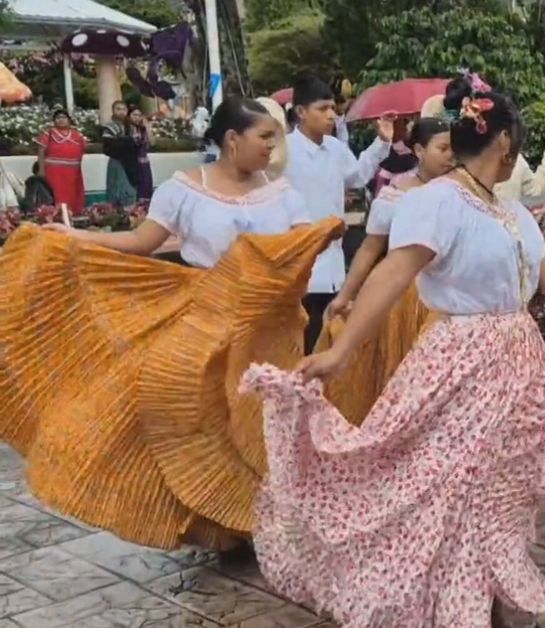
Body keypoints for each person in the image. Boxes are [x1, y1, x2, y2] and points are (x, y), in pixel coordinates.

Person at [244, 90, 545, 627]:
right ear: (504, 140)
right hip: (461, 362)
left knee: (495, 487)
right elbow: (393, 274)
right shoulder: (436, 201)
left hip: (516, 362)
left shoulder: (510, 212)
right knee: (453, 484)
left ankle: (482, 595)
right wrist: (341, 350)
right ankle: (450, 606)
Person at [0, 97, 337, 551]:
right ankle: (218, 522)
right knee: (200, 423)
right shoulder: (183, 188)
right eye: (264, 137)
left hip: (269, 331)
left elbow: (299, 249)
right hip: (203, 324)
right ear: (232, 140)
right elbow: (143, 242)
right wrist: (77, 238)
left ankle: (262, 518)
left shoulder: (284, 192)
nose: (271, 148)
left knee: (262, 426)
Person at [319, 118, 454, 427]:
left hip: (448, 299)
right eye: (442, 148)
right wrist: (345, 296)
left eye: (453, 150)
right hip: (400, 300)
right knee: (398, 380)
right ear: (419, 150)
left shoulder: (460, 191)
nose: (450, 156)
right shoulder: (395, 195)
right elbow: (369, 248)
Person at [284, 74, 393, 354]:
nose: (332, 115)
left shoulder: (334, 148)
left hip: (333, 261)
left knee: (329, 337)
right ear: (301, 112)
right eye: (323, 109)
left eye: (333, 108)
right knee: (301, 343)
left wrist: (381, 143)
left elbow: (356, 176)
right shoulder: (283, 152)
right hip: (298, 261)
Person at [34, 108, 86, 212]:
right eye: (58, 118)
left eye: (64, 117)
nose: (61, 120)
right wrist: (41, 169)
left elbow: (85, 149)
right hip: (54, 172)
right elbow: (41, 151)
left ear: (69, 120)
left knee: (72, 195)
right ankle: (56, 216)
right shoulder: (49, 133)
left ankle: (72, 216)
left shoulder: (78, 135)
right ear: (54, 121)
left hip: (73, 172)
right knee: (57, 195)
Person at [101, 101, 139, 208]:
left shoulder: (132, 127)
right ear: (113, 111)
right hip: (116, 161)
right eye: (118, 109)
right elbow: (108, 148)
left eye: (124, 109)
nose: (121, 112)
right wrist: (125, 143)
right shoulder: (109, 127)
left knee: (130, 191)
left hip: (131, 163)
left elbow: (137, 145)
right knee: (115, 191)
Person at [128, 105, 155, 201]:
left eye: (139, 115)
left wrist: (148, 127)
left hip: (144, 163)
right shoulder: (127, 129)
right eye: (134, 115)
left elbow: (152, 142)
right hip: (133, 163)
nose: (137, 117)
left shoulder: (142, 129)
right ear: (129, 115)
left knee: (146, 186)